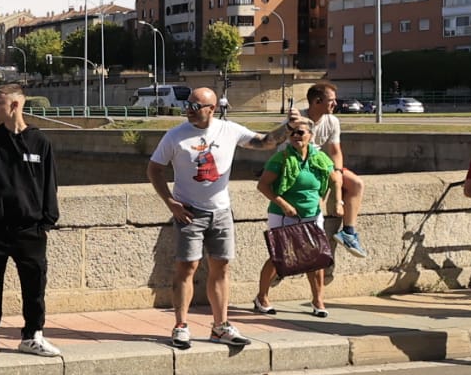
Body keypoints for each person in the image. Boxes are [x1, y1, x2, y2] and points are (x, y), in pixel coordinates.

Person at [146, 87, 299, 349]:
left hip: (221, 211)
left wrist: (288, 127)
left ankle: (220, 326)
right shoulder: (175, 136)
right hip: (189, 213)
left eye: (196, 106)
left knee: (221, 267)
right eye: (188, 104)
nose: (189, 110)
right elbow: (154, 169)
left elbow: (264, 143)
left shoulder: (229, 130)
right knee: (187, 268)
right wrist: (171, 202)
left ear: (211, 109)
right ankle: (181, 326)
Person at [0, 84, 61, 359]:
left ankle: (33, 336)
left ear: (15, 106)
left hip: (30, 228)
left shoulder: (40, 141)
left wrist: (46, 222)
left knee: (34, 285)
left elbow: (49, 184)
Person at [254, 121, 338, 317]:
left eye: (300, 132)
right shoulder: (280, 158)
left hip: (312, 214)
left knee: (316, 259)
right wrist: (284, 205)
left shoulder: (320, 158)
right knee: (280, 257)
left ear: (310, 135)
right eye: (291, 133)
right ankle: (262, 297)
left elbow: (334, 178)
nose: (296, 136)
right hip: (283, 214)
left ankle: (318, 300)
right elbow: (263, 186)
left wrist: (334, 200)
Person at [304, 83, 369, 258]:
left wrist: (338, 174)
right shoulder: (299, 121)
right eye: (331, 101)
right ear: (317, 101)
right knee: (315, 193)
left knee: (356, 184)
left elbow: (335, 152)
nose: (335, 104)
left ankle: (348, 232)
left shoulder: (332, 121)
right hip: (301, 166)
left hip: (323, 165)